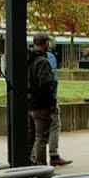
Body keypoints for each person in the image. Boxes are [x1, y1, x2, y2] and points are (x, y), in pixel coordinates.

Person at [26, 33, 57, 168]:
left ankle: (26, 162)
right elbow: (45, 84)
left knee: (30, 136)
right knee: (42, 138)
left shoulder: (28, 59)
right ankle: (41, 168)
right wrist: (52, 93)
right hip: (42, 105)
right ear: (46, 44)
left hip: (29, 103)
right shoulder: (43, 62)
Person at [43, 43, 71, 166]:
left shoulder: (30, 57)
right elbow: (53, 79)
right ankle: (53, 155)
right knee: (54, 125)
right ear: (46, 44)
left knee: (36, 131)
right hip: (48, 99)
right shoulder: (49, 57)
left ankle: (33, 158)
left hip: (32, 99)